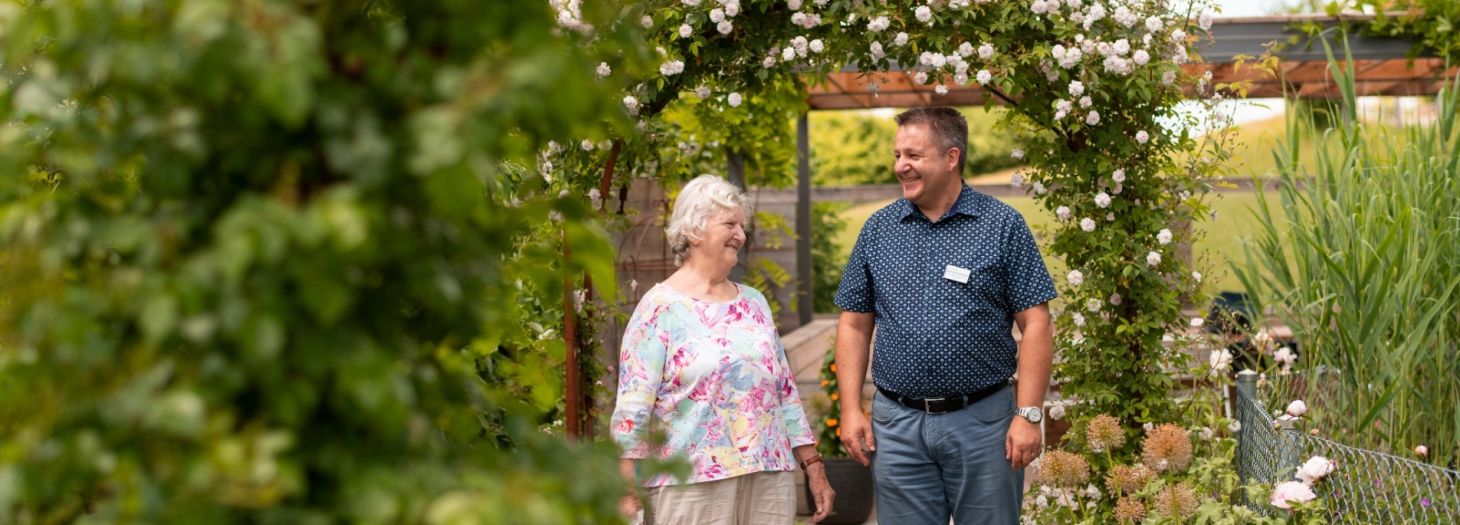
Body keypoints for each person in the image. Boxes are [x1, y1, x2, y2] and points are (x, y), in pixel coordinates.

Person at [833, 107, 1057, 524]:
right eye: (898, 155)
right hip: (897, 427)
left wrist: (1028, 415)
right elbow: (853, 323)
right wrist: (850, 409)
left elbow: (1037, 323)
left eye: (914, 155)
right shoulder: (879, 229)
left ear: (951, 158)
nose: (901, 166)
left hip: (983, 423)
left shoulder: (1001, 225)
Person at [611, 174, 835, 524]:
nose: (741, 235)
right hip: (691, 483)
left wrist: (814, 466)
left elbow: (785, 393)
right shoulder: (659, 309)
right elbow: (633, 407)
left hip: (768, 477)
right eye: (729, 224)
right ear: (694, 231)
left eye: (742, 226)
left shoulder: (754, 302)